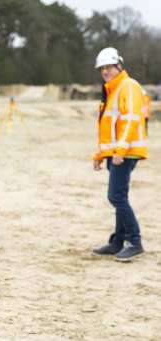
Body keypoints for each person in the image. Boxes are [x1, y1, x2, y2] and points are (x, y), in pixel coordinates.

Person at [91, 47, 148, 262]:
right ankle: (117, 241)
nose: (105, 71)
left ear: (119, 66)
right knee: (119, 196)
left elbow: (132, 119)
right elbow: (108, 129)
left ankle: (134, 241)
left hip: (126, 152)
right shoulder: (112, 90)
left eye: (108, 67)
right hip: (116, 153)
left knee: (116, 196)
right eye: (102, 68)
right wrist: (100, 155)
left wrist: (121, 151)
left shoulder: (128, 86)